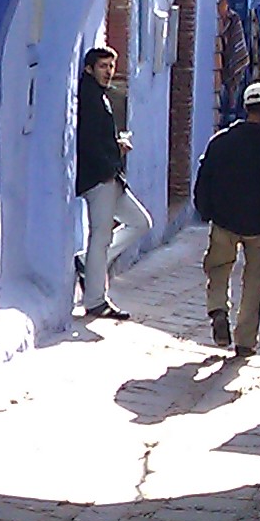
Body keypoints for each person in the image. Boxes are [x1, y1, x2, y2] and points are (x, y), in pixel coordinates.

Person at [194, 79, 260, 356]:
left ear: (245, 108)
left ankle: (218, 308)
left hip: (224, 222)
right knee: (255, 282)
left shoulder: (220, 143)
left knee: (218, 269)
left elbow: (203, 181)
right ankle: (245, 340)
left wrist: (208, 211)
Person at [74, 48, 150, 321]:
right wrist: (113, 154)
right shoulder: (89, 98)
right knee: (101, 237)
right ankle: (95, 300)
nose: (108, 71)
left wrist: (115, 147)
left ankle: (85, 263)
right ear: (89, 69)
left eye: (111, 65)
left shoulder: (100, 97)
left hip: (111, 176)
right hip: (99, 177)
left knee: (141, 222)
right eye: (103, 66)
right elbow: (89, 142)